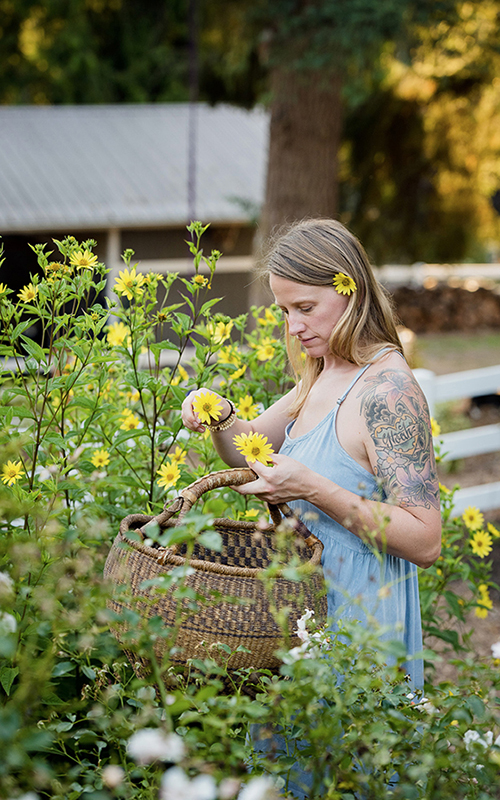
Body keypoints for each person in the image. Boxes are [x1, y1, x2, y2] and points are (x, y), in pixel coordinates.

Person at [181, 218, 442, 794]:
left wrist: (311, 488)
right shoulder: (321, 376)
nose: (293, 327)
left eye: (305, 307)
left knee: (347, 775)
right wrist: (220, 416)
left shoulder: (388, 393)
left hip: (359, 623)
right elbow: (255, 446)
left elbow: (424, 538)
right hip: (297, 623)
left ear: (348, 289)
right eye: (283, 311)